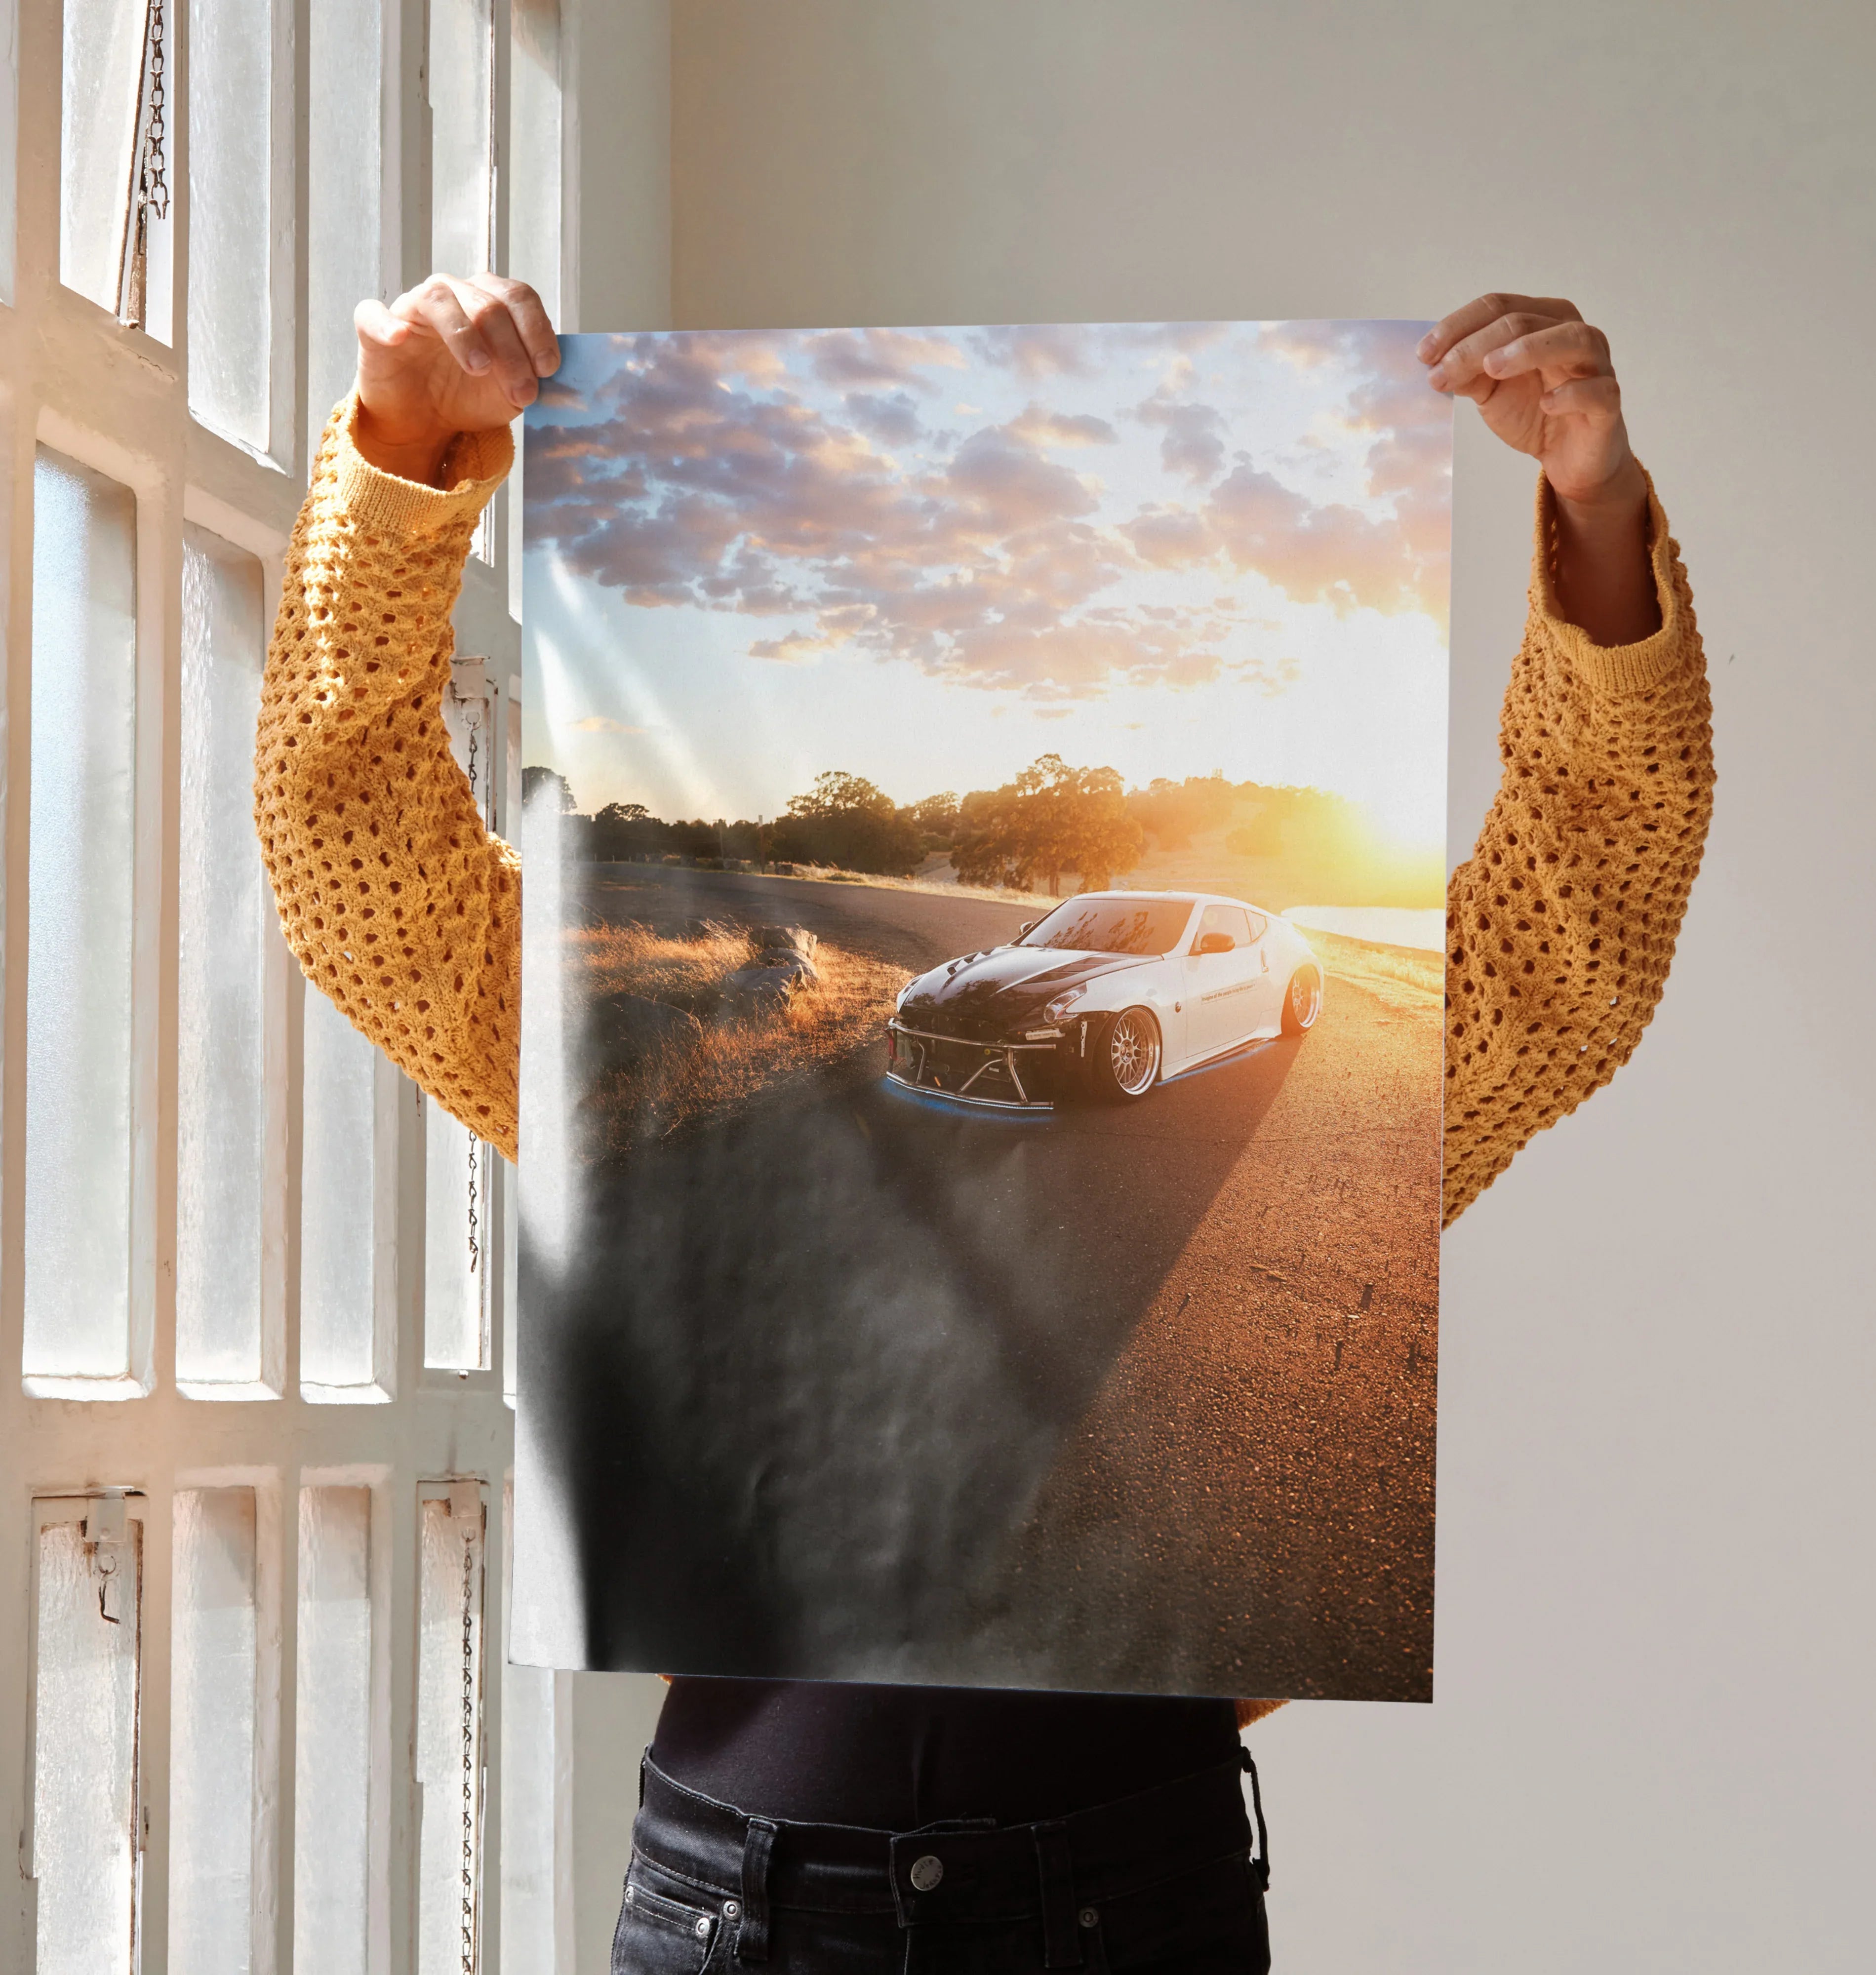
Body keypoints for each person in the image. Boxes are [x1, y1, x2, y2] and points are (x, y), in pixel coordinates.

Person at [255, 275, 1712, 1972]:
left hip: (1128, 1893)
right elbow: (358, 867)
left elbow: (1577, 931)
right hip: (741, 1904)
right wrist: (400, 457)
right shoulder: (637, 1076)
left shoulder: (1319, 1111)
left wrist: (1595, 512)